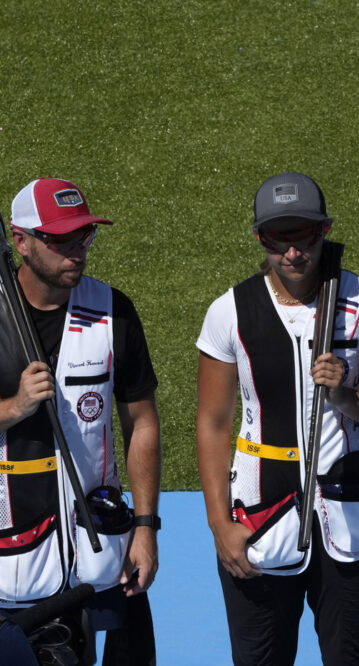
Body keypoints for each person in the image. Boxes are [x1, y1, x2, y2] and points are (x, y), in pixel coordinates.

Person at [196, 172, 359, 665]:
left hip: (351, 522)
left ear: (325, 229)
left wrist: (347, 396)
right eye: (279, 239)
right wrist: (218, 524)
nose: (293, 253)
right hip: (257, 518)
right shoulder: (228, 312)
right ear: (259, 238)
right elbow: (212, 422)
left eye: (305, 236)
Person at [0, 178, 162, 664]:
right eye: (60, 239)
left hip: (94, 557)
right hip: (9, 564)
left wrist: (147, 526)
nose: (76, 250)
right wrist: (14, 408)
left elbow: (142, 424)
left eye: (84, 236)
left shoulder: (114, 311)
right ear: (21, 241)